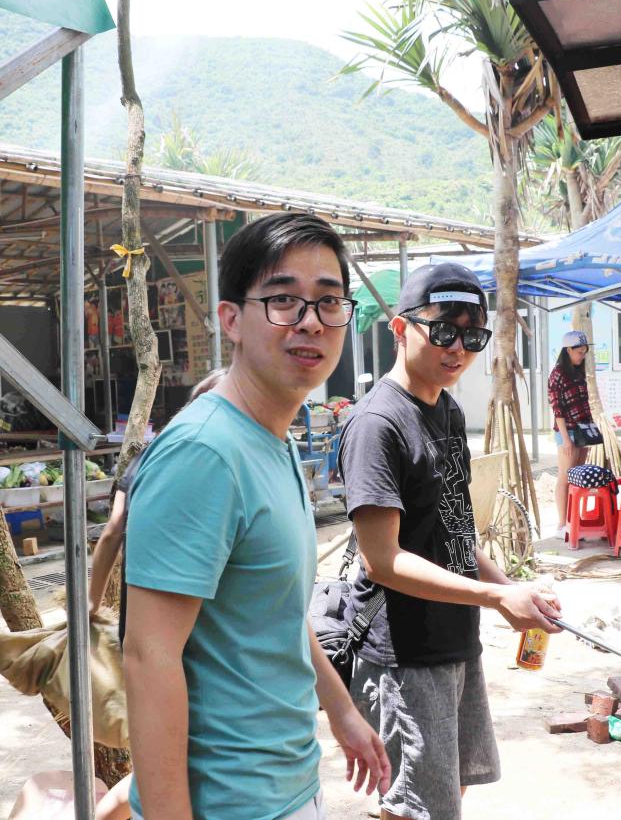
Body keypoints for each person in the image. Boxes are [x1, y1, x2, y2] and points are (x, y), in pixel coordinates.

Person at [123, 213, 389, 820]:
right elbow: (148, 657)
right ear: (231, 320)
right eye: (282, 300)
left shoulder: (276, 441)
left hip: (287, 784)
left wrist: (342, 711)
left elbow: (278, 610)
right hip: (228, 802)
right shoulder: (205, 453)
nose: (310, 321)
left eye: (328, 302)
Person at [339, 263, 562, 820]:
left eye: (472, 337)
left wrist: (514, 592)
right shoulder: (378, 424)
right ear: (400, 328)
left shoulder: (447, 409)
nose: (457, 348)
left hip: (455, 639)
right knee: (416, 807)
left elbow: (455, 527)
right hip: (405, 655)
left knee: (449, 789)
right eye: (442, 331)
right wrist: (495, 598)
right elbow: (382, 560)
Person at [88, 368, 228, 636]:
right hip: (204, 626)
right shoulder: (222, 461)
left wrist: (92, 603)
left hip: (141, 621)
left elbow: (112, 532)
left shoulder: (148, 455)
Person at [548, 330, 592, 533]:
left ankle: (573, 519)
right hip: (568, 432)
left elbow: (585, 404)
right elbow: (557, 409)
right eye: (579, 352)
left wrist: (590, 432)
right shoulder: (557, 374)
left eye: (584, 352)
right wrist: (566, 439)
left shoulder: (578, 371)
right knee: (565, 478)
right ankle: (562, 524)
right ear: (568, 350)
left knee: (577, 479)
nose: (582, 355)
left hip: (582, 431)